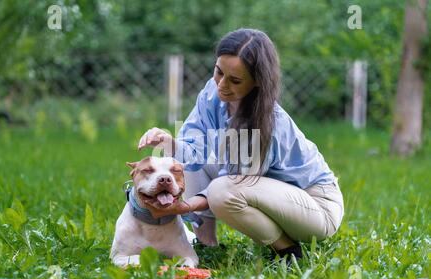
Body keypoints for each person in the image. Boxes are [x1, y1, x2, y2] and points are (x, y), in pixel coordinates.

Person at [137, 28, 344, 261]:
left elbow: (231, 184)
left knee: (220, 192)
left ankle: (287, 251)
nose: (222, 85)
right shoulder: (212, 94)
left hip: (315, 207)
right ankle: (206, 246)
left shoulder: (268, 122)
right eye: (218, 72)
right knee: (187, 164)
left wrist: (185, 207)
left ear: (257, 83)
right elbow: (195, 148)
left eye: (235, 80)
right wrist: (171, 142)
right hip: (265, 192)